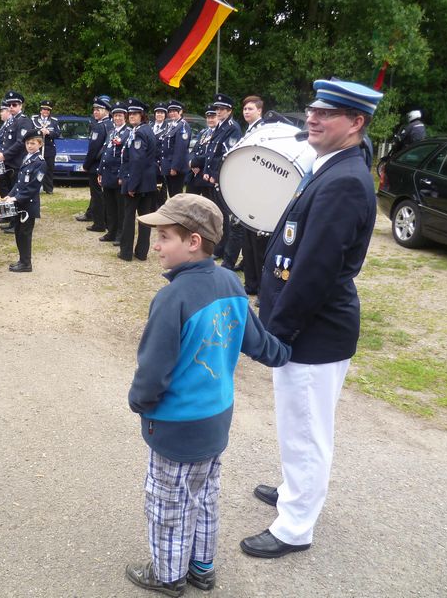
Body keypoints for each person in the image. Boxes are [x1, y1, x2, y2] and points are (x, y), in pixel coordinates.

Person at [240, 79, 383, 559]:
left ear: (356, 123)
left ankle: (295, 527)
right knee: (295, 423)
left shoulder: (344, 181)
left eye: (326, 113)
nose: (312, 118)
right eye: (312, 109)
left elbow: (315, 270)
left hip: (314, 331)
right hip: (308, 326)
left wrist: (277, 333)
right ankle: (293, 490)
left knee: (306, 430)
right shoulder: (332, 167)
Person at [124, 193, 291, 595]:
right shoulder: (230, 282)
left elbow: (154, 369)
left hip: (176, 425)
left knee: (168, 503)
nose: (157, 246)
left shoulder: (172, 298)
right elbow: (258, 342)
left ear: (193, 242)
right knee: (203, 494)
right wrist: (286, 352)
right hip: (216, 420)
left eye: (164, 237)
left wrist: (139, 402)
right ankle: (202, 566)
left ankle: (168, 575)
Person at [202, 93, 242, 267]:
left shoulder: (233, 128)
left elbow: (226, 155)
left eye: (222, 109)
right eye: (217, 109)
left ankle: (223, 249)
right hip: (214, 176)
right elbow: (211, 152)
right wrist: (207, 170)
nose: (218, 112)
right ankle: (219, 247)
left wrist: (215, 174)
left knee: (224, 215)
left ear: (229, 111)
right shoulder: (220, 126)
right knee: (219, 213)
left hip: (223, 176)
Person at [119, 98, 157, 262]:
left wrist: (132, 186)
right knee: (145, 218)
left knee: (129, 218)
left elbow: (137, 160)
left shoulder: (140, 132)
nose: (132, 116)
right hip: (147, 182)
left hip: (138, 183)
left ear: (142, 115)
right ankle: (141, 252)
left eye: (135, 113)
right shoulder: (146, 130)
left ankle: (126, 252)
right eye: (130, 113)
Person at [3, 128, 46, 272]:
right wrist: (10, 195)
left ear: (40, 144)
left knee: (25, 234)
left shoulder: (40, 162)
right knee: (18, 233)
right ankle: (22, 260)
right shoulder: (27, 158)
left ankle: (26, 264)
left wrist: (16, 197)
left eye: (33, 143)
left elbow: (33, 186)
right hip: (19, 203)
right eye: (28, 143)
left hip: (28, 205)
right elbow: (19, 182)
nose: (29, 146)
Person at [0, 91, 34, 233]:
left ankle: (17, 224)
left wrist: (4, 155)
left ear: (20, 105)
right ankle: (12, 220)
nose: (11, 107)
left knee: (16, 194)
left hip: (17, 163)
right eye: (9, 105)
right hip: (9, 163)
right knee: (9, 192)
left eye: (14, 104)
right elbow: (5, 142)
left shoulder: (23, 121)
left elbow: (20, 142)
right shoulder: (11, 121)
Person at [239, 95, 267, 297]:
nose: (246, 112)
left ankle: (262, 288)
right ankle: (250, 284)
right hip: (247, 189)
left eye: (250, 109)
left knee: (258, 244)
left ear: (259, 110)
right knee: (247, 241)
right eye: (244, 109)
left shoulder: (264, 131)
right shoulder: (249, 130)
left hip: (259, 190)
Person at [97, 101, 130, 245]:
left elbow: (126, 157)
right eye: (115, 115)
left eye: (120, 115)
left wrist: (122, 175)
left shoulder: (128, 132)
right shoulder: (111, 132)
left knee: (120, 208)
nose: (117, 118)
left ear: (125, 117)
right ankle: (111, 231)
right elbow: (105, 153)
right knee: (109, 206)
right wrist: (100, 171)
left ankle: (120, 234)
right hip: (107, 174)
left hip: (118, 175)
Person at [78, 95, 112, 230]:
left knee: (97, 196)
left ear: (106, 111)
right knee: (104, 195)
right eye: (94, 109)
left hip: (96, 165)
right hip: (106, 165)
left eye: (99, 109)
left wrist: (86, 165)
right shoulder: (110, 124)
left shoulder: (99, 126)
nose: (95, 112)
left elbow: (93, 149)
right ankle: (107, 221)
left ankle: (99, 223)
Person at [158, 99, 191, 201]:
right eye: (170, 111)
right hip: (168, 166)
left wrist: (175, 167)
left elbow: (180, 148)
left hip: (176, 168)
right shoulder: (171, 125)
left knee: (177, 196)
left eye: (174, 111)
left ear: (180, 111)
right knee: (172, 195)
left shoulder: (183, 126)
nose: (172, 113)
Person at [186, 104, 217, 198]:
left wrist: (195, 163)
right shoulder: (204, 132)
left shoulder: (218, 133)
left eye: (213, 117)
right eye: (208, 117)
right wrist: (192, 163)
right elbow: (194, 150)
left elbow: (212, 154)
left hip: (206, 173)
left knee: (207, 203)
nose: (210, 120)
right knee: (189, 201)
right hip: (194, 173)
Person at [31, 100, 60, 194]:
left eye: (48, 110)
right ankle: (35, 188)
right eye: (44, 109)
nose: (46, 111)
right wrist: (39, 132)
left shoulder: (54, 121)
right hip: (36, 148)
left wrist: (48, 132)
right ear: (40, 110)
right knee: (35, 168)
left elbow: (58, 134)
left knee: (49, 169)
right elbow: (30, 132)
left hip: (49, 149)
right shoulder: (34, 119)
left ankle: (48, 189)